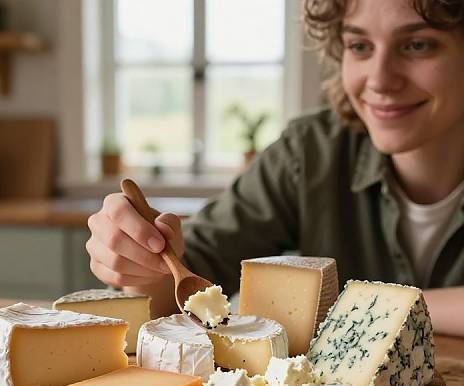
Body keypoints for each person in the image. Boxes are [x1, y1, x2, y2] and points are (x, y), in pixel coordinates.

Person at [86, 0, 464, 337]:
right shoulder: (309, 152)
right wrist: (141, 265)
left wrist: (377, 310)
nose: (380, 80)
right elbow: (182, 283)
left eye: (417, 45)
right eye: (360, 46)